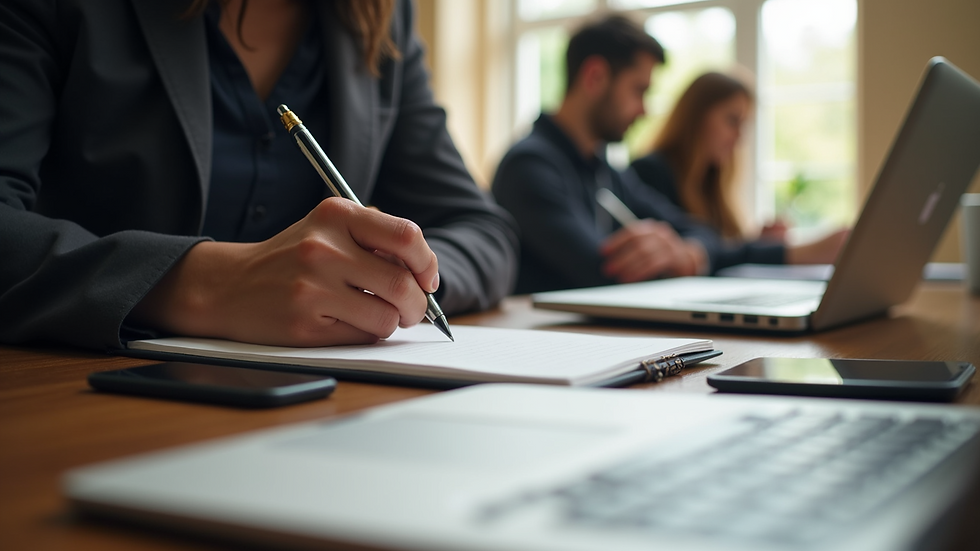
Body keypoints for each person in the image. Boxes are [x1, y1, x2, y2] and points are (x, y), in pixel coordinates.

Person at [0, 0, 518, 350]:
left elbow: (484, 231)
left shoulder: (381, 17)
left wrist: (390, 283)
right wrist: (203, 285)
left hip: (320, 409)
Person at [493, 16, 792, 294]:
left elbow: (699, 230)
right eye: (639, 90)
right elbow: (604, 271)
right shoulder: (529, 167)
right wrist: (672, 253)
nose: (644, 110)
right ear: (595, 77)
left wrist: (685, 251)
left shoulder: (604, 171)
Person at [630, 71, 847, 253]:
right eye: (732, 120)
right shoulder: (648, 173)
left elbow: (717, 251)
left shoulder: (711, 182)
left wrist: (755, 244)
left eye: (743, 124)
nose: (739, 137)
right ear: (696, 117)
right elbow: (701, 253)